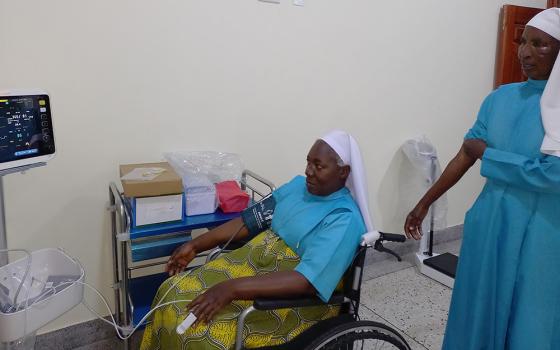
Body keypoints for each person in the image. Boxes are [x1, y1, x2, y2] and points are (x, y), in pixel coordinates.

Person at [404, 8, 560, 350]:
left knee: (531, 316)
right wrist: (424, 203)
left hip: (543, 233)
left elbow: (553, 175)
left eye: (540, 44)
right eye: (523, 42)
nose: (525, 52)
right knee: (478, 308)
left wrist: (490, 155)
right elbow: (465, 153)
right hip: (491, 221)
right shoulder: (500, 98)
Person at [141, 130, 376, 350]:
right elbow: (250, 220)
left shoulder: (344, 219)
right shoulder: (298, 187)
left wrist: (230, 289)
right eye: (308, 161)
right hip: (250, 265)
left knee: (201, 332)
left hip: (290, 296)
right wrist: (196, 244)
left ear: (343, 172)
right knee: (170, 289)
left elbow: (305, 281)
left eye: (318, 165)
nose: (308, 171)